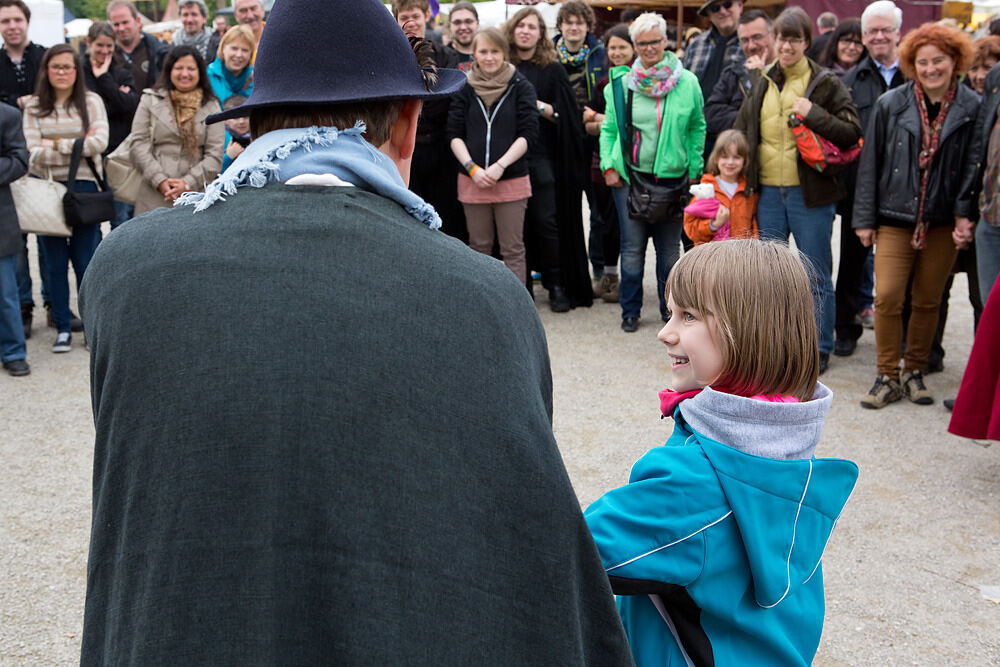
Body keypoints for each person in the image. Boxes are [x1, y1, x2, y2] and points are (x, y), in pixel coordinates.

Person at [78, 0, 632, 662]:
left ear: (252, 126)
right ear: (408, 125)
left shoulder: (125, 272)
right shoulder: (490, 300)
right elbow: (519, 535)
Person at [584, 239, 859, 667]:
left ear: (749, 332)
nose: (665, 331)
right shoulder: (786, 454)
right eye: (671, 312)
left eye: (688, 316)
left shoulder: (692, 483)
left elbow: (568, 552)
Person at [853, 22, 978, 409]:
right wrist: (864, 218)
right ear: (911, 64)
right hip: (894, 216)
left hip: (941, 220)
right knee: (888, 296)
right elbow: (870, 163)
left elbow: (974, 165)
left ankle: (915, 371)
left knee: (928, 299)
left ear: (954, 61)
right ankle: (887, 374)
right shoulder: (892, 104)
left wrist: (964, 214)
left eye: (938, 60)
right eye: (922, 62)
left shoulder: (972, 107)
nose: (930, 69)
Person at [734, 6, 862, 374]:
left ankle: (820, 346)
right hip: (769, 193)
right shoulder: (763, 80)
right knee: (769, 275)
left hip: (811, 195)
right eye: (782, 38)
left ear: (807, 42)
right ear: (773, 40)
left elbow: (852, 130)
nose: (787, 46)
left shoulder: (825, 82)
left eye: (795, 39)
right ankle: (775, 344)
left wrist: (813, 113)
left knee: (816, 274)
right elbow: (743, 128)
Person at [600, 12, 705, 332]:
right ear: (634, 45)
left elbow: (698, 127)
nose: (649, 48)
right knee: (631, 250)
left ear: (666, 41)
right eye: (642, 43)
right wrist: (608, 164)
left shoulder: (687, 83)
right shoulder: (620, 85)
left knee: (669, 252)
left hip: (674, 179)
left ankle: (669, 310)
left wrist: (695, 167)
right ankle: (630, 310)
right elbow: (609, 130)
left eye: (655, 41)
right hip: (630, 178)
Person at [22, 44, 108, 353]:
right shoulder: (33, 107)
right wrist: (75, 143)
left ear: (76, 70)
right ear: (46, 70)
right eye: (55, 67)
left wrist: (53, 143)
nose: (62, 72)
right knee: (54, 265)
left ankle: (92, 327)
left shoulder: (91, 101)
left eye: (67, 67)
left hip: (85, 189)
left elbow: (99, 142)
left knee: (88, 262)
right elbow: (31, 151)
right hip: (47, 191)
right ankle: (62, 327)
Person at [833, 0, 906, 359]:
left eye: (885, 30)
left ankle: (907, 334)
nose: (878, 36)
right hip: (859, 186)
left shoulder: (916, 74)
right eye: (872, 31)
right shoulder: (850, 80)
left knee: (906, 265)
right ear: (863, 36)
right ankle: (845, 327)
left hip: (906, 188)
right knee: (852, 263)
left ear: (898, 33)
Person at [506, 7, 591, 311]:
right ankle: (522, 286)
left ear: (541, 33)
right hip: (507, 160)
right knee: (517, 226)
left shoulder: (552, 69)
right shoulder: (502, 66)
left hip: (543, 158)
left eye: (533, 26)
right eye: (521, 26)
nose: (526, 31)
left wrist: (537, 105)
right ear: (513, 30)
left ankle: (556, 285)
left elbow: (565, 116)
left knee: (546, 221)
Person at [447, 27, 536, 283]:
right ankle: (483, 311)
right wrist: (471, 167)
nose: (489, 57)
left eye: (495, 51)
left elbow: (528, 133)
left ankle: (517, 311)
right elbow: (453, 133)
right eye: (483, 51)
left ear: (504, 53)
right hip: (472, 180)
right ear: (474, 54)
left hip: (511, 180)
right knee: (479, 247)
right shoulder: (464, 87)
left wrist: (500, 165)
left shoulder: (520, 85)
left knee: (513, 249)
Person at [394, 0, 466, 243]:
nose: (411, 21)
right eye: (405, 16)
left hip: (441, 148)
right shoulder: (390, 57)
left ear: (427, 15)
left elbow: (451, 99)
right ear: (396, 18)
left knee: (446, 215)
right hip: (402, 150)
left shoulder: (446, 55)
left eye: (416, 15)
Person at [0, 0, 48, 339]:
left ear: (26, 22)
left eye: (17, 19)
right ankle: (23, 304)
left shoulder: (43, 56)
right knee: (16, 246)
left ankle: (48, 301)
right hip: (10, 151)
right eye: (5, 21)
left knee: (47, 234)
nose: (11, 25)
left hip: (39, 156)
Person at [129, 45, 223, 216]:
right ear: (169, 70)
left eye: (191, 68)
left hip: (196, 196)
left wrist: (187, 183)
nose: (184, 74)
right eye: (179, 68)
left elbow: (215, 154)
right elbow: (138, 143)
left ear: (200, 72)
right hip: (154, 191)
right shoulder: (150, 99)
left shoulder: (212, 106)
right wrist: (159, 179)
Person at [583, 23, 632, 303]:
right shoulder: (603, 82)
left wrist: (601, 120)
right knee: (604, 221)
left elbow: (628, 125)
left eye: (622, 47)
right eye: (612, 47)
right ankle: (609, 276)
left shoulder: (638, 80)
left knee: (626, 225)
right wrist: (603, 121)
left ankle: (625, 280)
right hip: (600, 160)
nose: (616, 52)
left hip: (628, 162)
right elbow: (586, 120)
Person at [957, 60, 1000, 303]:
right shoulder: (997, 75)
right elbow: (979, 148)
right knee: (991, 308)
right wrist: (967, 211)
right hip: (991, 216)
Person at [703, 9, 777, 140]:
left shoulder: (785, 72)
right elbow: (711, 115)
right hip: (740, 157)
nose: (751, 46)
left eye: (757, 37)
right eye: (744, 40)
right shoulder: (732, 73)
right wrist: (749, 120)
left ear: (773, 36)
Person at [683, 129, 757, 244]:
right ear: (716, 158)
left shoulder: (749, 191)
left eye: (736, 157)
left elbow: (754, 228)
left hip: (741, 256)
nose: (730, 162)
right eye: (725, 157)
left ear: (744, 160)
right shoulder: (706, 190)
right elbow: (690, 229)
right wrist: (713, 225)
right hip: (712, 256)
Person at [0, 98, 28, 375]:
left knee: (5, 293)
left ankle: (13, 352)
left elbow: (20, 160)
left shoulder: (7, 115)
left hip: (0, 218)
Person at [82, 21, 138, 159]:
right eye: (100, 45)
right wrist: (117, 95)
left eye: (109, 45)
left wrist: (103, 77)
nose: (105, 50)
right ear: (89, 42)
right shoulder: (79, 70)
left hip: (118, 145)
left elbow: (131, 105)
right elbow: (89, 109)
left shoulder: (122, 71)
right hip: (89, 144)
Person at [684, 0, 745, 103]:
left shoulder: (752, 45)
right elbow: (683, 86)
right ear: (709, 15)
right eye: (715, 8)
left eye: (727, 4)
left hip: (736, 117)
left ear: (740, 6)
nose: (722, 11)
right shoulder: (696, 46)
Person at [107, 1, 167, 92]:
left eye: (125, 22)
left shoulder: (157, 50)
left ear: (137, 21)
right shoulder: (107, 54)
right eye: (116, 24)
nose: (121, 28)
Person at [206, 24, 254, 106]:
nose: (239, 55)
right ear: (223, 48)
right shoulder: (210, 75)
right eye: (234, 48)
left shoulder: (254, 78)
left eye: (245, 50)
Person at [171, 0, 220, 65]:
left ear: (204, 18)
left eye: (194, 14)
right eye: (185, 15)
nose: (189, 20)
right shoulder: (173, 45)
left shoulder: (217, 46)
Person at [443, 1, 478, 70]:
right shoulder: (441, 58)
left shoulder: (491, 54)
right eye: (457, 22)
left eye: (468, 21)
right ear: (450, 25)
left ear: (478, 23)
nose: (463, 27)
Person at [220, 93, 249, 171]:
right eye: (235, 117)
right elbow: (212, 172)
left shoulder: (258, 136)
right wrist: (228, 156)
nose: (241, 121)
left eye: (246, 116)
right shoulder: (219, 139)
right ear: (225, 119)